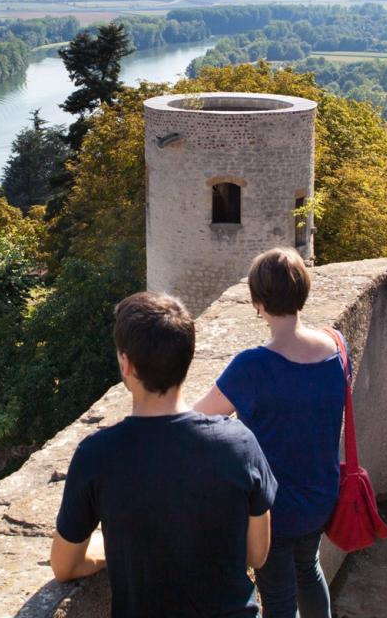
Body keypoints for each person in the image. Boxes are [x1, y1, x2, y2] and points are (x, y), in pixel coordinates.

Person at [51, 290, 277, 618]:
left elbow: (63, 566)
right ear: (188, 358)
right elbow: (257, 553)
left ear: (126, 364)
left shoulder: (97, 455)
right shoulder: (239, 444)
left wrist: (106, 553)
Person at [194, 248, 348, 618]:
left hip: (272, 510)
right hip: (321, 495)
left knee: (278, 598)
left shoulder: (253, 366)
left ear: (257, 301)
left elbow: (196, 418)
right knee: (309, 571)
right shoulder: (337, 347)